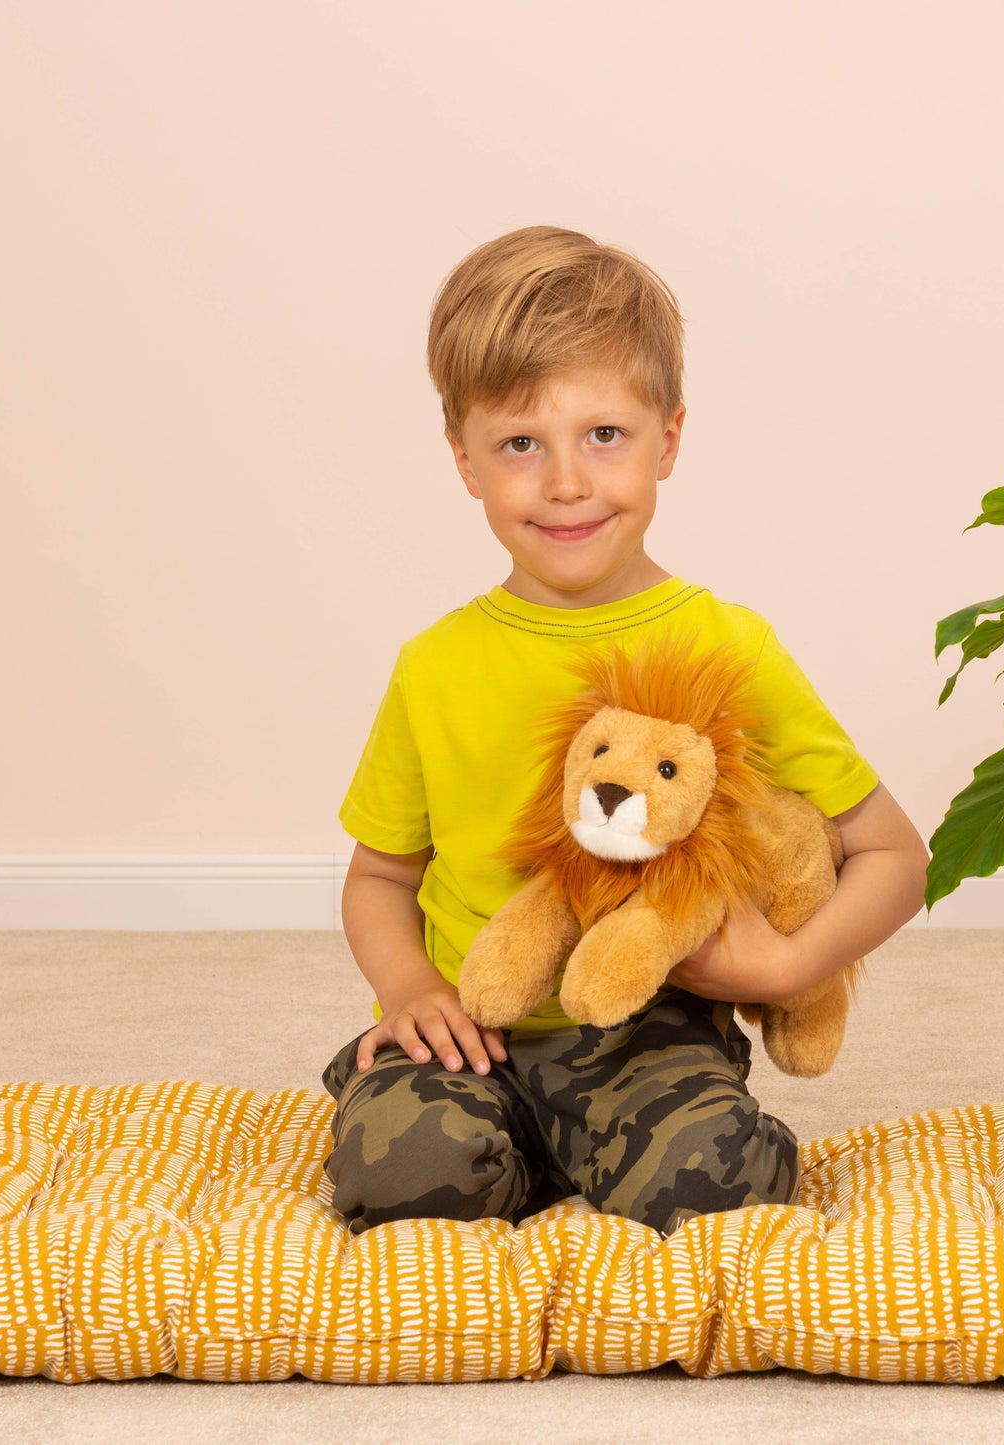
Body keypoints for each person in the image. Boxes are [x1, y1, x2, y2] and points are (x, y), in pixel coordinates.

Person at [321, 225, 929, 1236]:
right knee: (399, 1181)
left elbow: (893, 855)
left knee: (709, 1188)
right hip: (476, 1028)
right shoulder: (433, 663)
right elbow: (378, 877)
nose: (564, 481)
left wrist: (782, 968)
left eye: (603, 435)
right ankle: (518, 1146)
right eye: (520, 443)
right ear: (464, 461)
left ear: (668, 439)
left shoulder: (724, 644)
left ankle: (626, 1141)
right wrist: (409, 986)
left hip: (649, 1028)